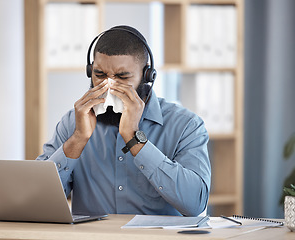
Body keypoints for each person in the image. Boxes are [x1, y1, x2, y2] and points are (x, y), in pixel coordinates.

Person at [37, 25, 211, 216]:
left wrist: (135, 139)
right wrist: (77, 139)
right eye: (100, 75)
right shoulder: (72, 123)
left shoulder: (186, 126)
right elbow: (38, 201)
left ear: (147, 76)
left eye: (122, 77)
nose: (108, 86)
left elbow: (195, 204)